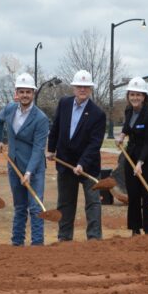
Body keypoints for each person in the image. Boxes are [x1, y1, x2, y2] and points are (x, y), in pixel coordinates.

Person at [47, 70, 106, 241]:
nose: (82, 90)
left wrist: (82, 163)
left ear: (91, 90)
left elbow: (95, 144)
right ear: (74, 88)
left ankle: (94, 238)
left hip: (89, 166)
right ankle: (64, 238)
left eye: (86, 87)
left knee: (93, 203)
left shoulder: (97, 114)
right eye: (79, 86)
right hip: (65, 163)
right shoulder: (64, 104)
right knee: (65, 203)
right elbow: (55, 128)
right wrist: (51, 149)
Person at [0, 73, 50, 246]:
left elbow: (38, 148)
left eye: (28, 91)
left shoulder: (40, 118)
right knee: (19, 207)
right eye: (22, 91)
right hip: (14, 164)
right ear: (16, 93)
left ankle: (37, 244)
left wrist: (28, 172)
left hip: (34, 168)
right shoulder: (10, 109)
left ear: (33, 93)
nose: (25, 95)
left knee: (35, 207)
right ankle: (17, 243)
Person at [115, 77, 148, 236]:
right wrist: (122, 135)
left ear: (144, 97)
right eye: (132, 94)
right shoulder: (129, 110)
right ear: (128, 96)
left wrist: (140, 163)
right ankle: (135, 229)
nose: (135, 98)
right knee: (133, 193)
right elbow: (127, 127)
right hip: (133, 155)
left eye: (138, 95)